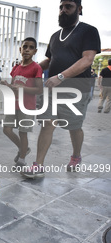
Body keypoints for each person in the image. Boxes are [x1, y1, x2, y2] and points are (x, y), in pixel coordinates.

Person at [21, 0, 101, 178]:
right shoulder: (55, 36)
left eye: (68, 6)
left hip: (77, 88)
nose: (63, 10)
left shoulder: (88, 31)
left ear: (79, 9)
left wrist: (61, 76)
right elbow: (49, 61)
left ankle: (76, 155)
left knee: (74, 126)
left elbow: (87, 59)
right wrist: (28, 70)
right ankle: (38, 165)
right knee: (48, 123)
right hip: (53, 88)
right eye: (61, 7)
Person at [1, 37, 43, 169]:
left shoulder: (36, 68)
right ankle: (23, 148)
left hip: (27, 107)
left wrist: (22, 88)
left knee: (22, 132)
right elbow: (14, 85)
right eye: (25, 47)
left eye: (31, 48)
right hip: (13, 104)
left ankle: (22, 158)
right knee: (7, 130)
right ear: (20, 49)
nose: (27, 50)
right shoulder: (16, 67)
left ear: (35, 51)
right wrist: (7, 85)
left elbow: (39, 90)